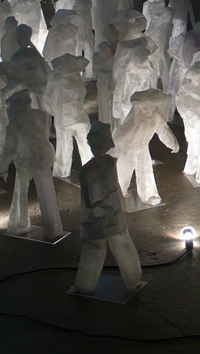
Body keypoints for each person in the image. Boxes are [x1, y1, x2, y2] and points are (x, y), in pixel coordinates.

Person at [73, 123, 143, 294]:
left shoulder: (89, 170)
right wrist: (115, 205)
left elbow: (91, 200)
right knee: (120, 245)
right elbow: (111, 192)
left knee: (96, 249)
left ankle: (85, 286)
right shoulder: (107, 164)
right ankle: (133, 280)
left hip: (99, 217)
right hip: (111, 215)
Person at [0, 91, 64, 238]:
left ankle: (21, 223)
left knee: (21, 191)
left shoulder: (14, 124)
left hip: (26, 160)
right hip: (44, 156)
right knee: (47, 189)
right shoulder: (40, 115)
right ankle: (54, 227)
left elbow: (9, 148)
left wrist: (3, 167)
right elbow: (45, 134)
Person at [113, 89, 179, 206]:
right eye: (146, 107)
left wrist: (172, 143)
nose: (149, 110)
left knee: (146, 171)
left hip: (143, 147)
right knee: (124, 172)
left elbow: (164, 131)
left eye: (152, 106)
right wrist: (116, 147)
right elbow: (121, 134)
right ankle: (120, 191)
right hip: (128, 148)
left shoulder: (156, 117)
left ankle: (148, 194)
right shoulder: (135, 119)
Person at [43, 54, 92, 178]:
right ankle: (90, 168)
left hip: (64, 118)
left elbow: (48, 100)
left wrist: (56, 113)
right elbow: (83, 94)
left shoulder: (56, 78)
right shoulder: (76, 77)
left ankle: (62, 172)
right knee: (85, 144)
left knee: (64, 146)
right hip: (79, 116)